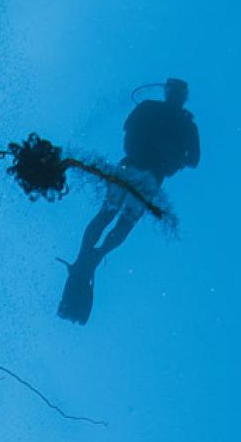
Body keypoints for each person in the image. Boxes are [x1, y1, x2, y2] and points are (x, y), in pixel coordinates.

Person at [59, 78, 200, 324]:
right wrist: (169, 152)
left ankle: (92, 256)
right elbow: (130, 135)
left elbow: (194, 159)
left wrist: (169, 152)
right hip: (136, 169)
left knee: (117, 220)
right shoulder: (160, 113)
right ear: (169, 92)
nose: (176, 95)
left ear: (182, 95)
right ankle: (88, 256)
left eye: (179, 92)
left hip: (147, 175)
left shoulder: (182, 123)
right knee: (111, 216)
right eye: (174, 91)